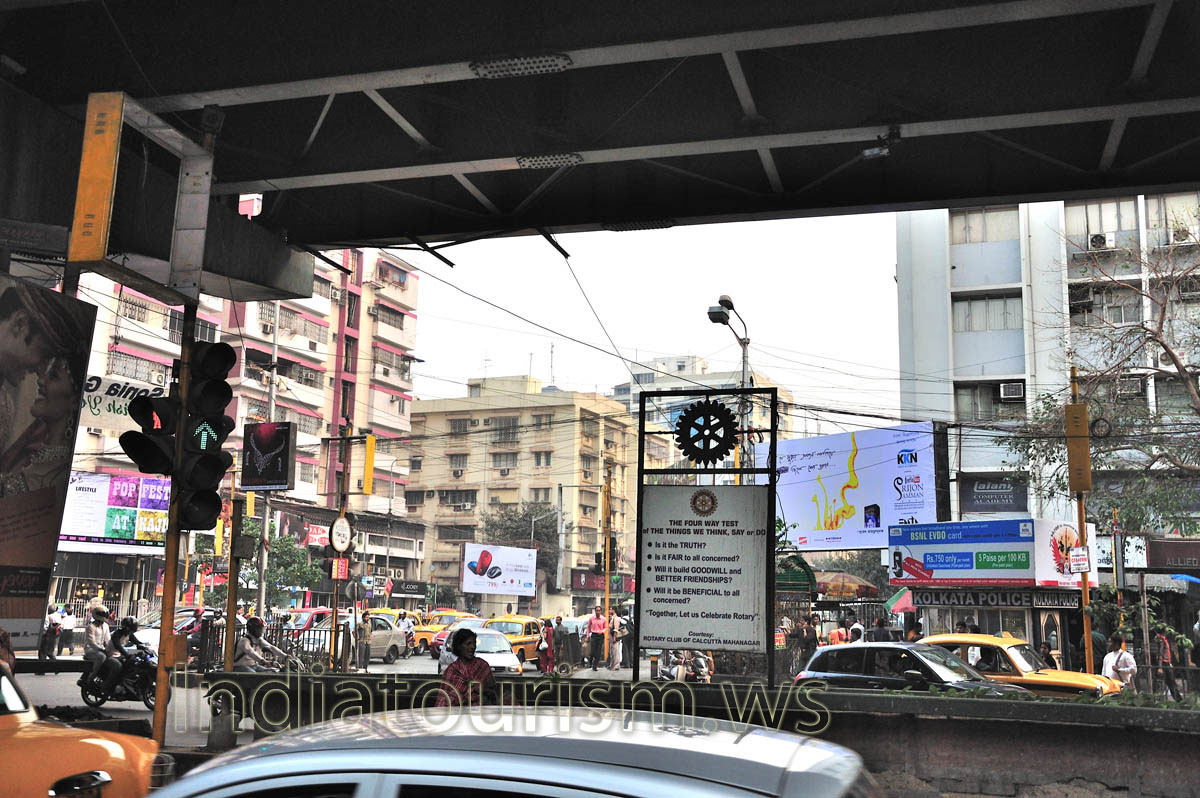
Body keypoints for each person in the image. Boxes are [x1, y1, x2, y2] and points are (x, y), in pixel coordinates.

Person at [435, 628, 499, 707]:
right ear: (459, 647)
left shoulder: (483, 666)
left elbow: (493, 694)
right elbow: (445, 701)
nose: (472, 647)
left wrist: (482, 690)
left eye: (474, 643)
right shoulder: (451, 671)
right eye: (468, 644)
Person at [102, 616, 146, 696]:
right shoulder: (117, 634)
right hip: (110, 655)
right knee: (118, 666)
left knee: (133, 665)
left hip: (119, 655)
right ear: (125, 627)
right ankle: (106, 686)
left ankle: (125, 683)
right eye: (130, 628)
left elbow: (137, 642)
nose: (130, 630)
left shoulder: (129, 634)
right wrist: (127, 655)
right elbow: (118, 646)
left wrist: (144, 647)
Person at [82, 607, 111, 683]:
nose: (101, 622)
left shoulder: (105, 626)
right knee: (102, 656)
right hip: (91, 650)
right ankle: (92, 676)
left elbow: (108, 640)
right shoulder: (90, 627)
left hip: (102, 649)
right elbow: (91, 642)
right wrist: (101, 649)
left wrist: (111, 649)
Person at [1151, 630, 1182, 701]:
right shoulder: (1160, 639)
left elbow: (1166, 653)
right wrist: (1160, 667)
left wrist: (1169, 662)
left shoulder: (1165, 640)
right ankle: (1157, 699)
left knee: (1171, 683)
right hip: (1163, 663)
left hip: (1166, 663)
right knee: (1161, 683)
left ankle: (1179, 700)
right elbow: (1160, 653)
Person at [586, 606, 607, 671]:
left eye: (599, 610)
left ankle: (594, 666)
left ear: (601, 611)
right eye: (597, 610)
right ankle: (590, 662)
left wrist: (602, 631)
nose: (598, 612)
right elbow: (588, 627)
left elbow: (605, 627)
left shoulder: (604, 619)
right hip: (594, 635)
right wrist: (587, 636)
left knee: (598, 652)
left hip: (600, 636)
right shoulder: (591, 618)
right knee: (592, 651)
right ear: (595, 611)